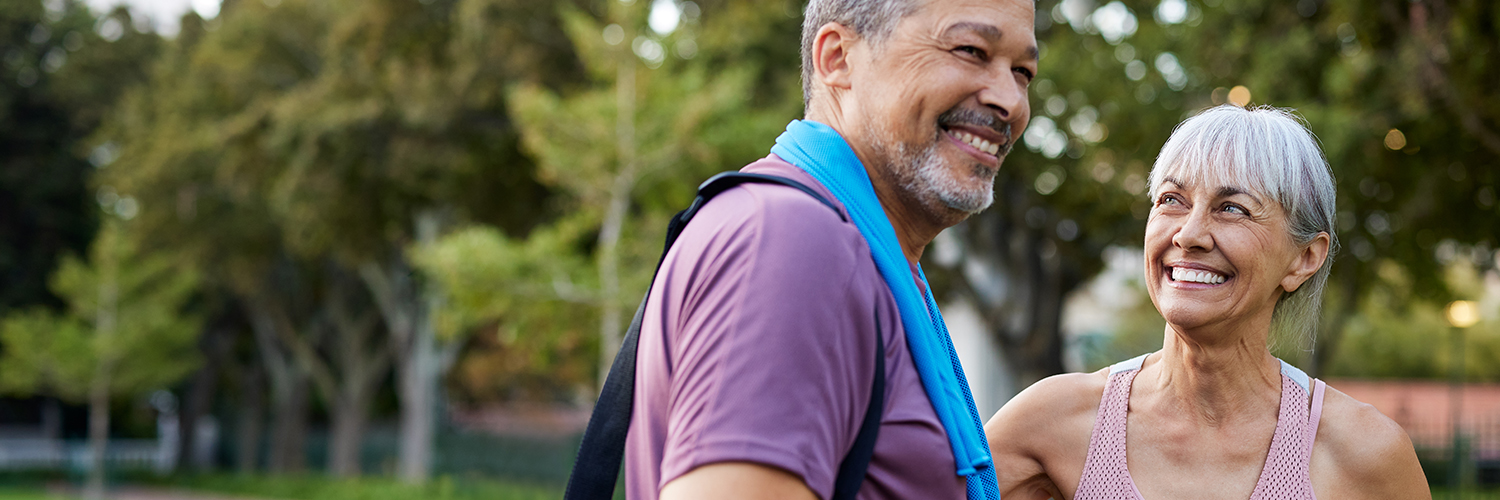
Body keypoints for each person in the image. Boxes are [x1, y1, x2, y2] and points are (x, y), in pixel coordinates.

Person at [622, 0, 1038, 498]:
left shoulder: (846, 247)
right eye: (971, 50)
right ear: (838, 58)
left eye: (1023, 72)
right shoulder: (795, 243)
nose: (1010, 101)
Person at [984, 105, 1430, 500]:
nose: (1188, 234)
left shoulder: (1365, 453)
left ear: (1304, 258)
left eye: (1232, 208)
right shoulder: (1050, 422)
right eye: (1171, 200)